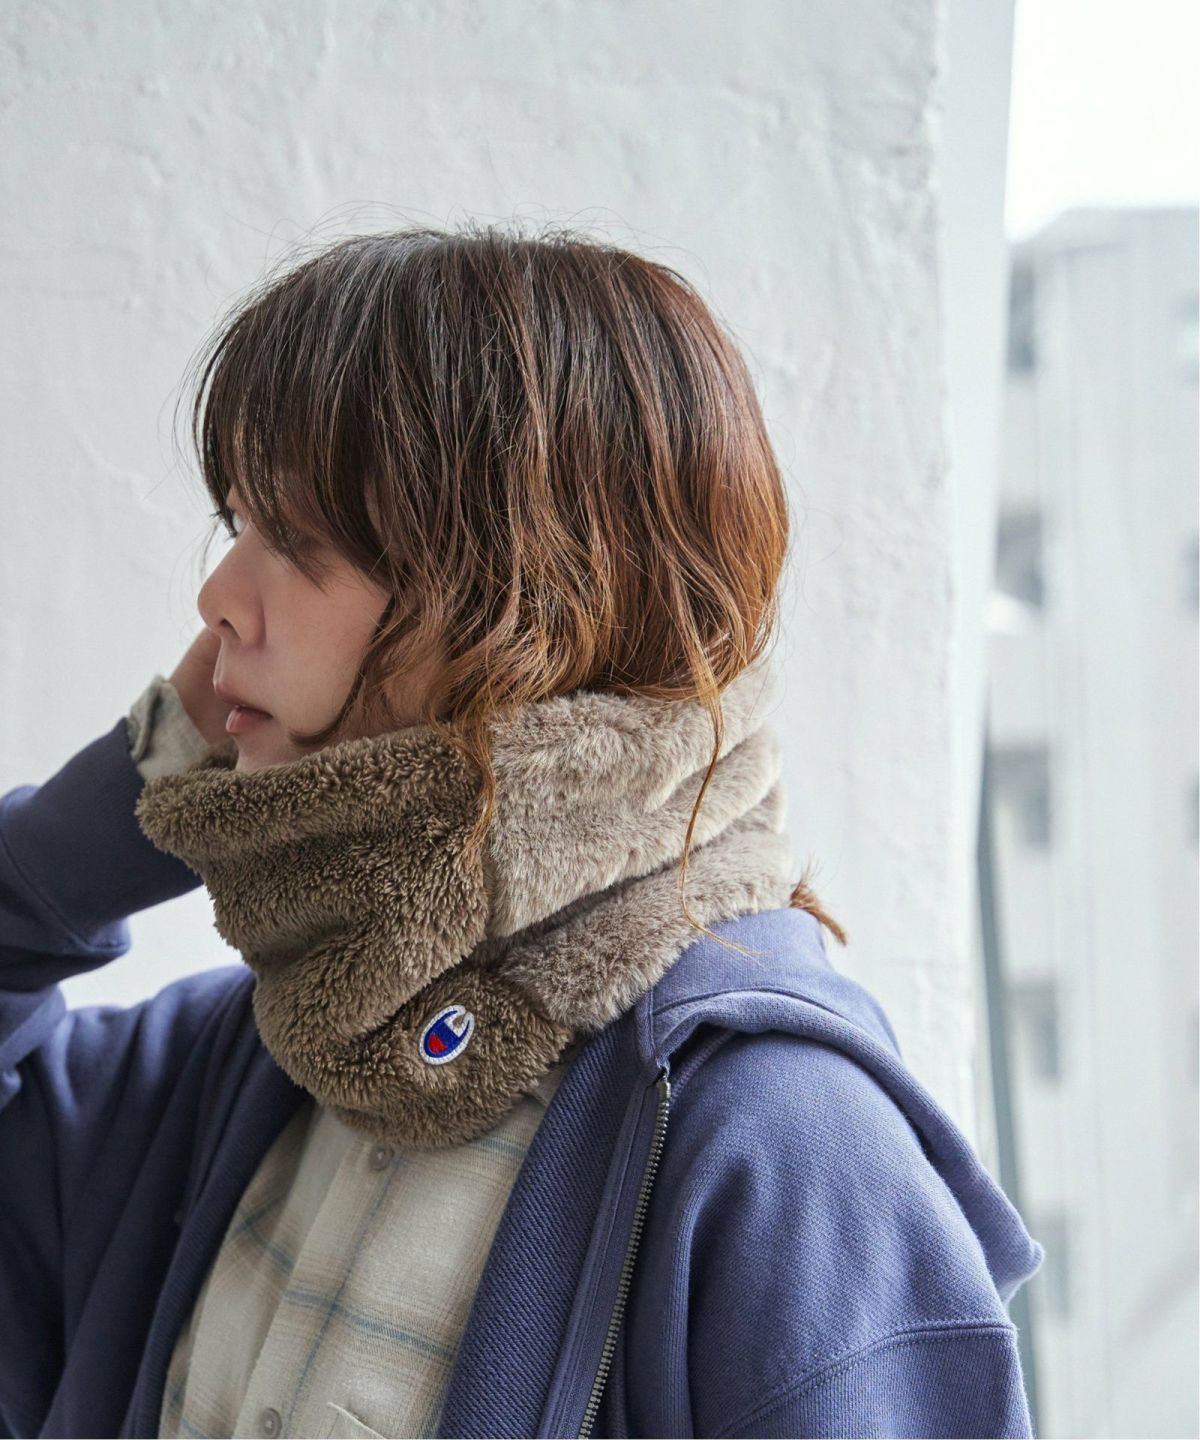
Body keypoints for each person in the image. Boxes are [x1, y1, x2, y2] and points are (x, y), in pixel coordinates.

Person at [0, 222, 1044, 1439]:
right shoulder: (251, 1065)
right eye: (238, 525)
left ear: (528, 597)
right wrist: (142, 784)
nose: (218, 598)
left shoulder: (789, 1155)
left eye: (296, 540)